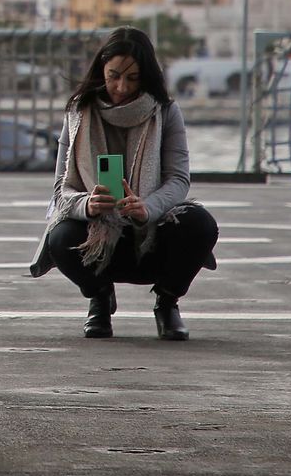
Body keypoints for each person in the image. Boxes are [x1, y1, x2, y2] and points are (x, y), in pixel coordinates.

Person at [29, 26, 219, 340]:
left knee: (201, 225)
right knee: (60, 236)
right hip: (98, 233)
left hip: (151, 230)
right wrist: (87, 204)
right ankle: (99, 298)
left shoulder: (166, 112)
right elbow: (61, 188)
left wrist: (148, 207)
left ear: (147, 77)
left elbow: (178, 178)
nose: (121, 86)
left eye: (132, 78)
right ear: (100, 69)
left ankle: (168, 302)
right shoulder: (77, 112)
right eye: (114, 75)